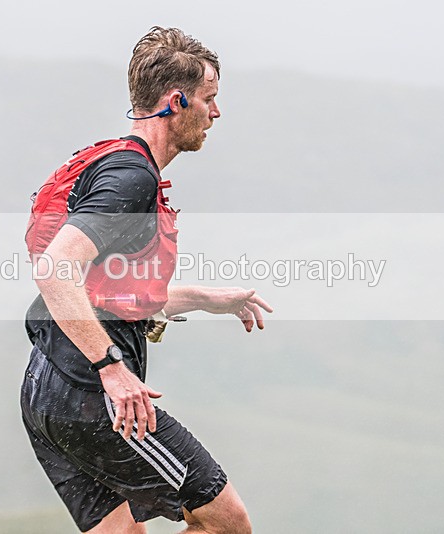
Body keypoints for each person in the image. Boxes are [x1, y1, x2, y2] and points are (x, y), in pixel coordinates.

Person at [21, 26, 272, 533]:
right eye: (210, 99)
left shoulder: (106, 159)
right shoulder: (131, 179)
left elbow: (105, 293)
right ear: (176, 101)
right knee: (227, 523)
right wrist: (111, 367)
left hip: (44, 392)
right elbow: (55, 270)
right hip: (93, 394)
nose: (216, 113)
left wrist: (202, 298)